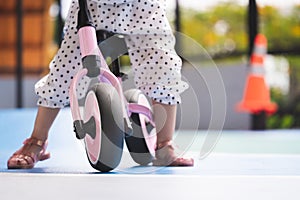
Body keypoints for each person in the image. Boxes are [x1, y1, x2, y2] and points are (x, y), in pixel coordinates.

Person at [7, 0, 194, 169]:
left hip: (142, 5)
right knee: (64, 71)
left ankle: (164, 143)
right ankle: (37, 141)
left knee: (162, 64)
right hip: (91, 5)